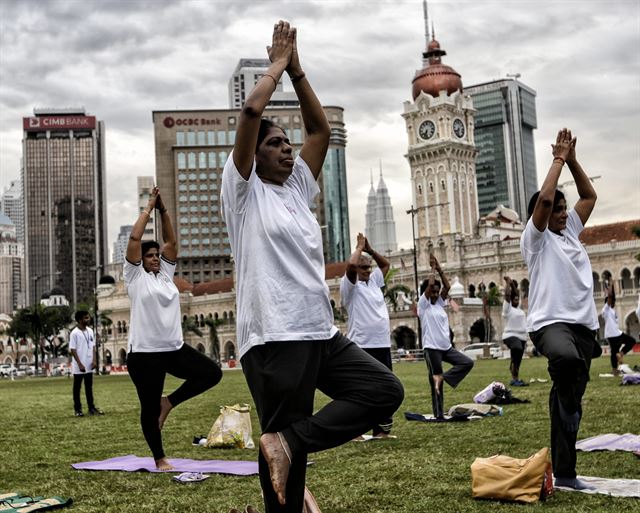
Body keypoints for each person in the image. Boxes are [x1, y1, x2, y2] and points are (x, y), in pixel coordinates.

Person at [221, 21, 404, 512]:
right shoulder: (243, 193)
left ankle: (288, 445)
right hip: (274, 336)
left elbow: (321, 130)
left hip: (318, 331)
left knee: (382, 390)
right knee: (286, 464)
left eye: (286, 144)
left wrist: (299, 72)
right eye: (275, 144)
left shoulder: (297, 187)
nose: (286, 150)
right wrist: (276, 66)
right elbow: (250, 110)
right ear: (252, 156)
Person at [521, 128, 600, 490]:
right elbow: (543, 203)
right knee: (565, 364)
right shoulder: (535, 240)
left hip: (584, 325)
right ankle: (563, 403)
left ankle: (566, 474)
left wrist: (572, 160)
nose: (563, 213)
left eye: (565, 209)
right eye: (557, 209)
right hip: (550, 323)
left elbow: (589, 194)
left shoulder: (570, 232)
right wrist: (556, 159)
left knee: (570, 401)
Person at [124, 186, 222, 470]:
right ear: (140, 260)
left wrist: (163, 209)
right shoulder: (134, 277)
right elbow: (134, 238)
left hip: (173, 349)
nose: (155, 258)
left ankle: (170, 402)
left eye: (157, 255)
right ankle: (159, 458)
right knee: (149, 408)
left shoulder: (166, 275)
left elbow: (172, 241)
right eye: (149, 255)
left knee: (211, 373)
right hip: (144, 355)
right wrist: (148, 207)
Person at [340, 233, 395, 439]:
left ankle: (380, 431)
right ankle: (356, 431)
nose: (368, 271)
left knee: (385, 387)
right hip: (362, 344)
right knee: (361, 389)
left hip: (382, 344)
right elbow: (351, 267)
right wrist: (359, 249)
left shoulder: (373, 282)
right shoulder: (350, 287)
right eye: (364, 268)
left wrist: (370, 250)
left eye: (369, 268)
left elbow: (386, 265)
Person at [417, 254, 473, 419]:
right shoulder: (424, 304)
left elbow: (447, 287)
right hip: (431, 348)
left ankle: (445, 377)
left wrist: (440, 268)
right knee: (436, 384)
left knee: (466, 363)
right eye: (432, 292)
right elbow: (430, 286)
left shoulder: (439, 304)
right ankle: (439, 414)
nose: (435, 294)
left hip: (445, 347)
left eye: (436, 292)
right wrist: (432, 268)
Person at [69, 310, 103, 417]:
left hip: (89, 364)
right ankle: (78, 410)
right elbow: (72, 349)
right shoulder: (74, 333)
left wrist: (94, 360)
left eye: (88, 317)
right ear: (79, 320)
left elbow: (93, 346)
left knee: (89, 387)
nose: (88, 319)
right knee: (77, 388)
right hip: (79, 365)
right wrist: (79, 363)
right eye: (86, 318)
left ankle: (91, 408)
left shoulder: (90, 331)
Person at [602, 284, 635, 374]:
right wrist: (610, 292)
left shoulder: (612, 310)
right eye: (612, 301)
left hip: (617, 333)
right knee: (614, 351)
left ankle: (620, 355)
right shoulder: (606, 310)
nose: (613, 303)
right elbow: (609, 299)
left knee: (631, 341)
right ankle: (615, 368)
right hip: (612, 335)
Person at [501, 276, 528, 386]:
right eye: (515, 299)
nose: (517, 301)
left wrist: (513, 284)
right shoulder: (508, 308)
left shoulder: (519, 309)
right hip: (510, 335)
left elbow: (516, 293)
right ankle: (513, 370)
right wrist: (508, 283)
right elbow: (507, 295)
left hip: (522, 337)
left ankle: (515, 379)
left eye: (518, 299)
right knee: (517, 348)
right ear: (511, 301)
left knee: (518, 360)